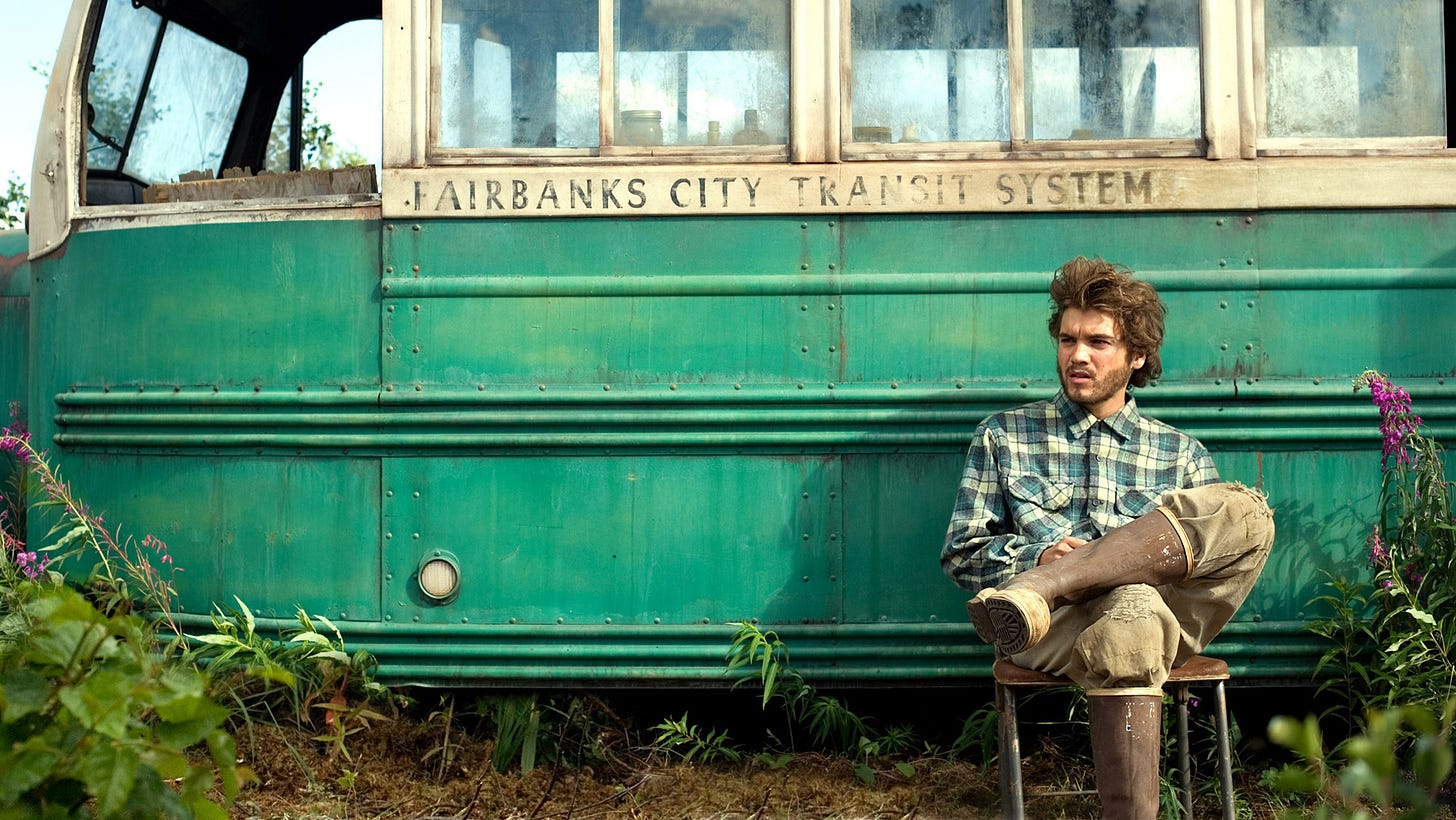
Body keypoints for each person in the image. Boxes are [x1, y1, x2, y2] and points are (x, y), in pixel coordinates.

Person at [942, 256, 1274, 819]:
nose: (1078, 355)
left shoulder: (1181, 453)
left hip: (1163, 618)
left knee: (1247, 513)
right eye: (1068, 339)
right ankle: (1052, 583)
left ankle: (1049, 582)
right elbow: (963, 554)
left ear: (1136, 356)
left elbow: (1213, 563)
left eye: (1098, 342)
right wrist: (1034, 553)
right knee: (1132, 618)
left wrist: (1061, 573)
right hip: (1053, 623)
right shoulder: (1005, 436)